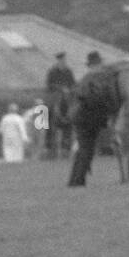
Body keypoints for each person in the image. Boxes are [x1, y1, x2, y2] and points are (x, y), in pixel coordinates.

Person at [68, 54, 107, 187]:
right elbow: (93, 100)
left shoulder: (85, 79)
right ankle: (78, 181)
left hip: (81, 118)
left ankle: (74, 180)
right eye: (100, 64)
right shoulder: (93, 80)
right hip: (87, 120)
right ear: (95, 65)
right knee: (86, 150)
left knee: (83, 150)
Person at [44, 52, 76, 158]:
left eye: (64, 60)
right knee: (46, 109)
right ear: (58, 61)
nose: (63, 62)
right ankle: (48, 145)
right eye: (61, 60)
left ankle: (66, 146)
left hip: (67, 95)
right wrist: (60, 88)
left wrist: (69, 89)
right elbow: (49, 84)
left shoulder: (68, 71)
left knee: (74, 107)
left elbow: (73, 84)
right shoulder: (52, 72)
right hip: (55, 94)